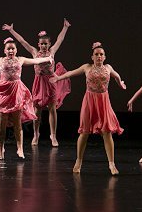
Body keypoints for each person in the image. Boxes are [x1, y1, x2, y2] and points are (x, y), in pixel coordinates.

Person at [51, 42, 126, 175]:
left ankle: (111, 164)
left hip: (103, 101)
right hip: (90, 101)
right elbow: (70, 73)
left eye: (101, 54)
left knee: (107, 132)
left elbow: (117, 76)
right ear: (92, 57)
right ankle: (78, 161)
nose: (99, 56)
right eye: (96, 54)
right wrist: (58, 78)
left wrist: (120, 83)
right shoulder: (87, 67)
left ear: (104, 57)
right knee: (84, 132)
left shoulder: (108, 67)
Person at [2, 19, 72, 146]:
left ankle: (53, 136)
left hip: (50, 81)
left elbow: (60, 39)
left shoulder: (52, 52)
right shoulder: (34, 52)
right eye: (42, 44)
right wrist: (11, 30)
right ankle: (36, 134)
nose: (44, 46)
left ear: (49, 44)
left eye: (46, 44)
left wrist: (65, 27)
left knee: (52, 109)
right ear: (38, 44)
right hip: (39, 82)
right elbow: (22, 41)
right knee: (37, 110)